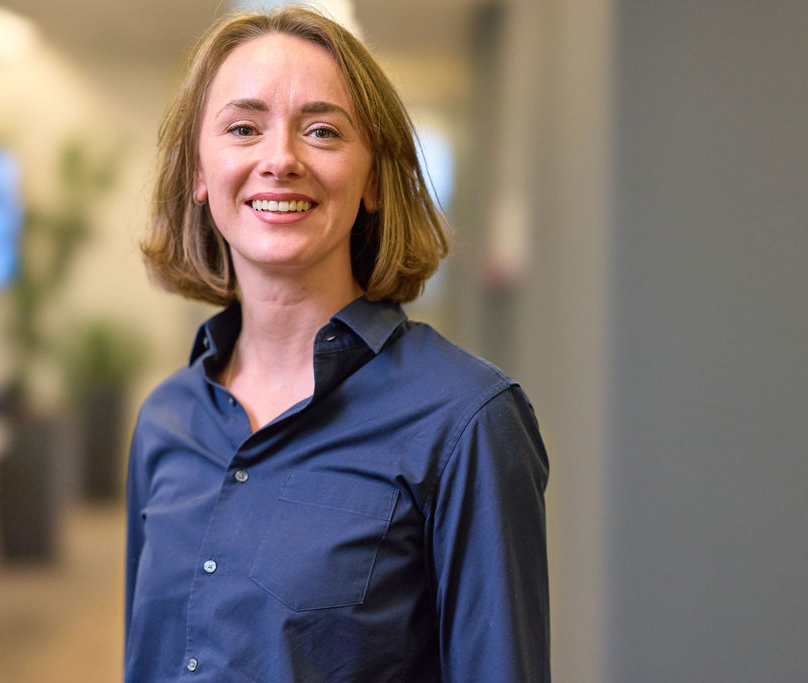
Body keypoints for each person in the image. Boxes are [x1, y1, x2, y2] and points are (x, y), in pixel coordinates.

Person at [125, 6, 549, 681]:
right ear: (198, 174)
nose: (281, 159)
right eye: (243, 128)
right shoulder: (165, 419)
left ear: (374, 178)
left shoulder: (467, 420)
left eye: (322, 130)